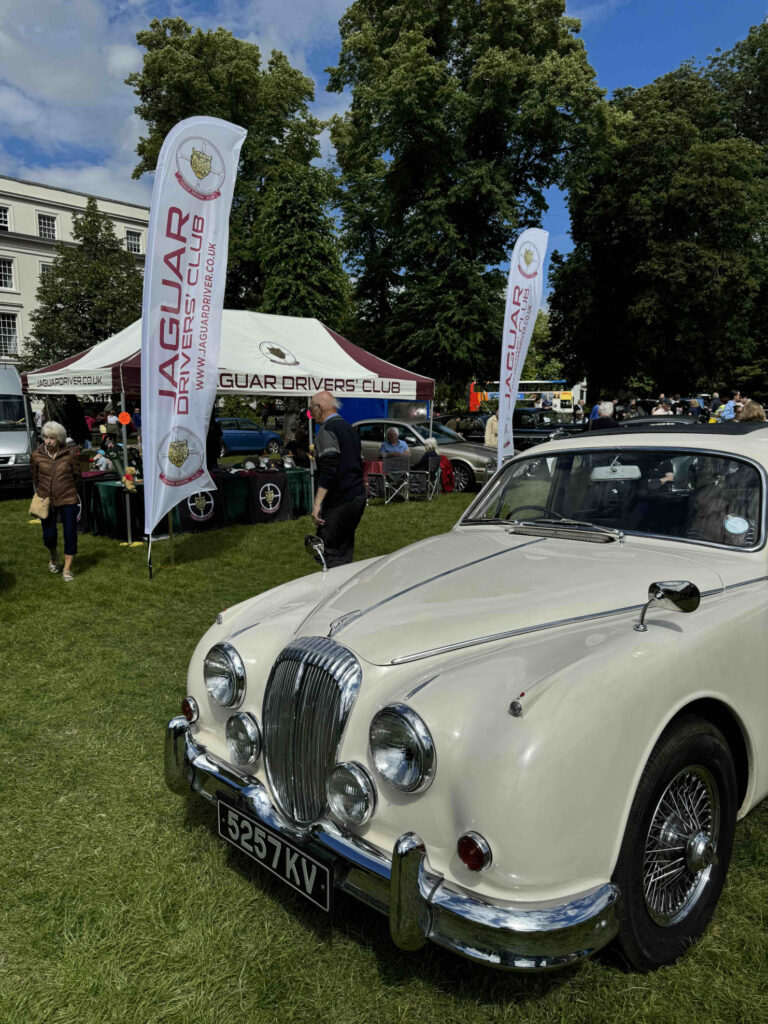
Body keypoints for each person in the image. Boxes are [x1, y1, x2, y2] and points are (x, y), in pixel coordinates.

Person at [310, 391, 366, 567]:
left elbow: (329, 469)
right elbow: (359, 460)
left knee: (324, 550)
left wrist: (318, 503)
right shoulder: (350, 429)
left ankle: (338, 589)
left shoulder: (327, 431)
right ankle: (346, 584)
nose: (311, 415)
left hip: (340, 499)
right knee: (343, 548)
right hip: (357, 496)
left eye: (311, 410)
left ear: (319, 408)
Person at [30, 421, 81, 582]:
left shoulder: (70, 453)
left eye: (52, 438)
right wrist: (44, 491)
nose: (48, 441)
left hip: (68, 497)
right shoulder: (36, 455)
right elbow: (35, 477)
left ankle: (67, 568)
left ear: (59, 438)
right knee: (49, 536)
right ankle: (53, 554)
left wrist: (68, 489)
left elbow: (77, 475)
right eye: (46, 437)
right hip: (46, 499)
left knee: (70, 534)